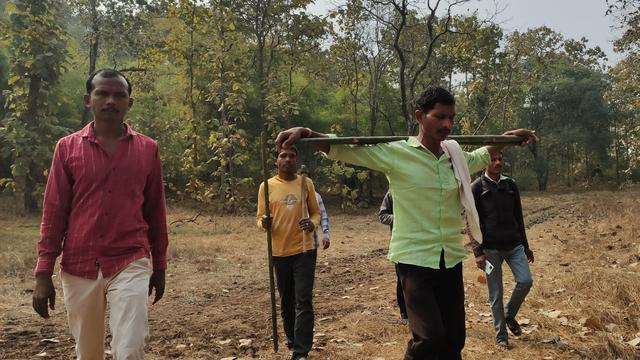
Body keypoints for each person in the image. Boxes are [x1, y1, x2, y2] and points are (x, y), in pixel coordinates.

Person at [275, 86, 537, 360]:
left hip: (449, 258)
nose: (447, 124)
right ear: (419, 117)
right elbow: (346, 149)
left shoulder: (454, 157)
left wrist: (507, 138)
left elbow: (483, 155)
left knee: (454, 340)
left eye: (451, 118)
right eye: (439, 117)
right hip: (413, 261)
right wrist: (306, 132)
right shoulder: (396, 154)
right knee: (429, 339)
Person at [32, 69, 168, 359]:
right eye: (102, 94)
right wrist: (43, 273)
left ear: (129, 103)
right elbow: (54, 212)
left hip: (130, 258)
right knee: (88, 352)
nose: (110, 100)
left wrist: (160, 265)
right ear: (88, 100)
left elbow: (156, 211)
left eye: (119, 95)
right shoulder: (67, 149)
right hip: (79, 263)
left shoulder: (147, 149)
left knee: (130, 349)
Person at [257, 147, 324, 360]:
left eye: (292, 156)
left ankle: (301, 351)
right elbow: (259, 218)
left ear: (297, 160)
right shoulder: (266, 186)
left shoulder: (306, 183)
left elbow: (316, 213)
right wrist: (264, 222)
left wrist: (312, 224)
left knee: (303, 299)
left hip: (304, 250)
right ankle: (292, 339)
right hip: (279, 252)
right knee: (286, 300)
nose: (287, 159)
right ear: (276, 161)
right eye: (283, 156)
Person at [469, 152, 534, 350]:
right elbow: (471, 221)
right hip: (490, 251)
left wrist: (526, 245)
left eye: (500, 159)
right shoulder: (476, 187)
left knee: (525, 281)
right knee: (495, 294)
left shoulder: (510, 185)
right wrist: (478, 251)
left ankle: (508, 314)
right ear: (484, 164)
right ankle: (501, 337)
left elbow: (519, 217)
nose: (498, 163)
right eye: (493, 159)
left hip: (514, 246)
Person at [378, 191, 408, 324]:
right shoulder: (392, 193)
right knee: (402, 279)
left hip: (422, 244)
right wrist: (399, 218)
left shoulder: (420, 189)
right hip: (400, 244)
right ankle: (405, 314)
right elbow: (383, 216)